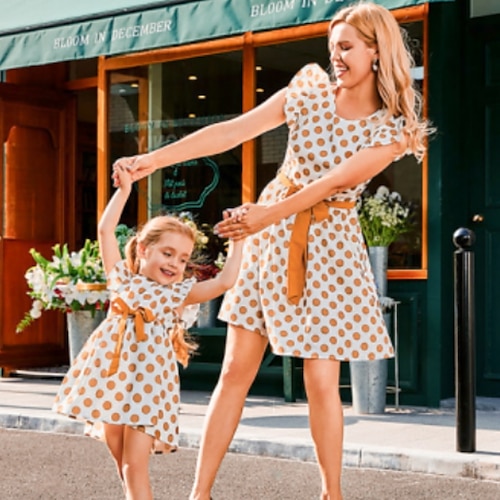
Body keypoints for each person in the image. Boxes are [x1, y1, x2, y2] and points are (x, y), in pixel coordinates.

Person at [113, 2, 432, 498]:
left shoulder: (391, 130)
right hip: (269, 238)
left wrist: (265, 215)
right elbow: (230, 131)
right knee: (235, 369)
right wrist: (150, 161)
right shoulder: (307, 91)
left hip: (329, 249)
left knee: (321, 381)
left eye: (346, 48)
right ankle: (201, 494)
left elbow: (329, 185)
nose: (337, 59)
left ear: (376, 51)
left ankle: (331, 493)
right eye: (333, 49)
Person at [53, 165, 244, 500]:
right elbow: (105, 230)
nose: (175, 264)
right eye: (167, 253)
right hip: (112, 378)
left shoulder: (177, 292)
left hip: (147, 385)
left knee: (133, 465)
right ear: (142, 249)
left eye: (183, 259)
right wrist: (124, 191)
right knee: (118, 457)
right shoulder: (121, 280)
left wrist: (240, 241)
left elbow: (224, 282)